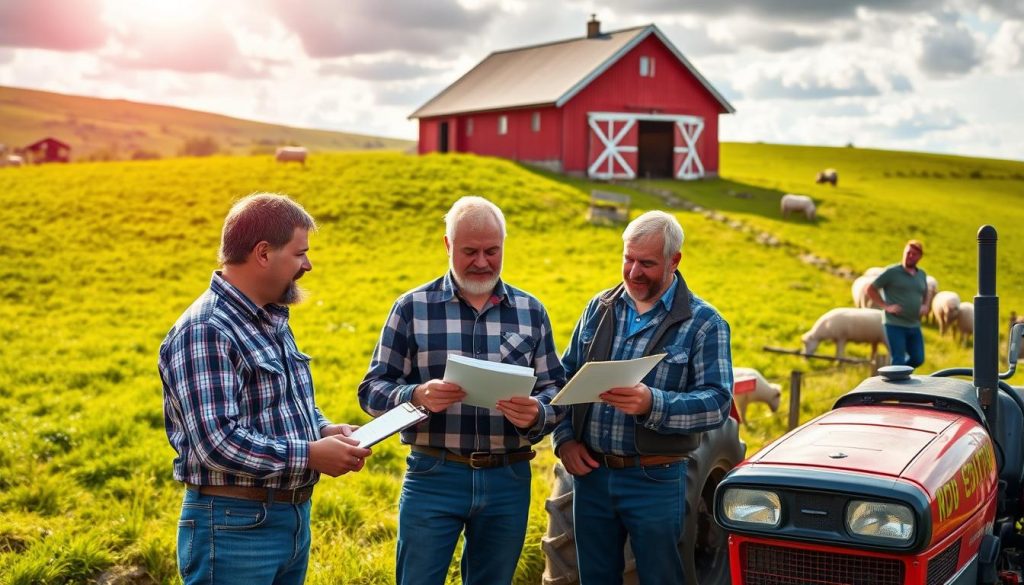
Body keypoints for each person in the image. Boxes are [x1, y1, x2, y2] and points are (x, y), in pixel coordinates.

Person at [159, 193, 371, 585]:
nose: (308, 264)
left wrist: (322, 429)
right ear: (262, 253)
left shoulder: (268, 316)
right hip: (234, 527)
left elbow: (277, 403)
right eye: (299, 253)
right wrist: (309, 454)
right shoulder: (207, 330)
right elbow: (217, 442)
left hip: (287, 520)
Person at [358, 195, 565, 585]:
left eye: (492, 250)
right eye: (470, 251)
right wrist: (415, 396)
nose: (483, 261)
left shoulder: (531, 310)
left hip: (509, 475)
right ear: (447, 245)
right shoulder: (411, 307)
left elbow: (555, 388)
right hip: (434, 472)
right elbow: (371, 391)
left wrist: (539, 412)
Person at [552, 210, 733, 585]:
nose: (634, 271)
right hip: (591, 475)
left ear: (675, 261)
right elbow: (563, 379)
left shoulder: (705, 323)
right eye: (628, 259)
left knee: (660, 577)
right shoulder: (598, 308)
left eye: (647, 263)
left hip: (656, 477)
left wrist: (653, 403)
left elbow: (717, 403)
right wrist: (564, 440)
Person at [867, 239, 930, 368]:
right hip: (894, 324)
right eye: (908, 253)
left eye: (914, 254)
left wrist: (926, 305)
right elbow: (870, 289)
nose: (910, 256)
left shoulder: (922, 274)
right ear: (904, 253)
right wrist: (886, 306)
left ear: (920, 257)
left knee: (918, 358)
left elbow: (926, 292)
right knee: (898, 359)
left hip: (914, 324)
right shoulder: (892, 272)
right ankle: (896, 381)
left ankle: (896, 374)